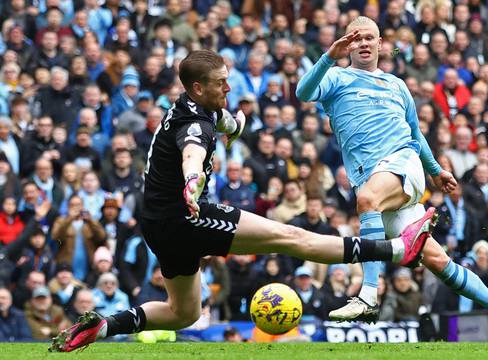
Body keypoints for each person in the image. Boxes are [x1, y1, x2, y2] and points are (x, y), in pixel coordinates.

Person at [50, 49, 434, 352]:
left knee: (182, 312)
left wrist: (233, 126)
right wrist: (192, 180)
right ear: (198, 88)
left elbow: (221, 123)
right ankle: (398, 249)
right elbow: (193, 153)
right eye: (221, 84)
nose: (228, 90)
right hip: (188, 216)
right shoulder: (195, 125)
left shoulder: (191, 107)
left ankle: (104, 326)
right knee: (291, 238)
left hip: (159, 226)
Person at [295, 16, 488, 341]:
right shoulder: (336, 77)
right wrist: (329, 55)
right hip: (374, 181)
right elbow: (303, 92)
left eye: (370, 37)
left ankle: (368, 294)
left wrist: (435, 169)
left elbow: (415, 133)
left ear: (381, 43)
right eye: (356, 39)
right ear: (347, 44)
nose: (364, 43)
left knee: (367, 200)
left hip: (402, 165)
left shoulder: (397, 85)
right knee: (439, 261)